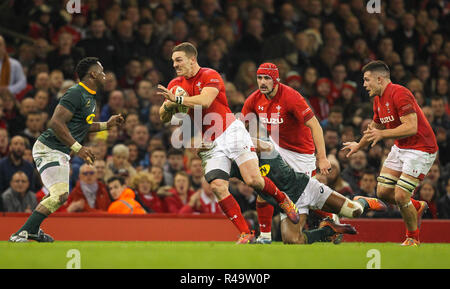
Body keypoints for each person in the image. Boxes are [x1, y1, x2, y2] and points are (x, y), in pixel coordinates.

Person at [158, 42, 299, 243]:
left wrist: (179, 101)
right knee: (217, 186)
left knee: (253, 180)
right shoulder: (175, 85)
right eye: (173, 61)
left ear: (192, 59)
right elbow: (163, 116)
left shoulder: (210, 75)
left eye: (179, 60)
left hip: (231, 132)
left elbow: (205, 101)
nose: (175, 65)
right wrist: (169, 105)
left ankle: (283, 199)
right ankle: (245, 232)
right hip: (211, 141)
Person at [9, 57, 125, 242]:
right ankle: (22, 232)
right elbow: (55, 122)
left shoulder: (89, 96)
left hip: (60, 150)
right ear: (93, 74)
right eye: (101, 71)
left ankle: (32, 229)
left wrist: (106, 125)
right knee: (60, 194)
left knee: (58, 195)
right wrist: (77, 148)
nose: (105, 75)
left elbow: (81, 126)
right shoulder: (76, 93)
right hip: (48, 148)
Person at [342, 60, 438, 246]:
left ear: (379, 79)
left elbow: (411, 127)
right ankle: (416, 206)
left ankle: (413, 238)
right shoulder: (378, 100)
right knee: (384, 191)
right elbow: (374, 128)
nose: (364, 84)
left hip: (421, 148)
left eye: (367, 80)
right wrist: (358, 145)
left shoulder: (400, 93)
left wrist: (383, 134)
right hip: (401, 147)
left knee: (401, 196)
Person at [240, 62, 332, 244]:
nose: (263, 82)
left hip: (301, 153)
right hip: (277, 148)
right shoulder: (254, 99)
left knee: (307, 198)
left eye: (267, 78)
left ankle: (331, 220)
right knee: (262, 185)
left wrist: (321, 158)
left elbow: (315, 125)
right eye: (259, 78)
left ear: (276, 80)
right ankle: (265, 237)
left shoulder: (291, 97)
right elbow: (241, 127)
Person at [229, 138, 386, 244]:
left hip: (307, 188)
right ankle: (327, 230)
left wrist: (241, 140)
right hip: (290, 204)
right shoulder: (239, 169)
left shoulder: (266, 149)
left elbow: (254, 143)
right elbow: (218, 174)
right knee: (292, 240)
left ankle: (363, 201)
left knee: (354, 212)